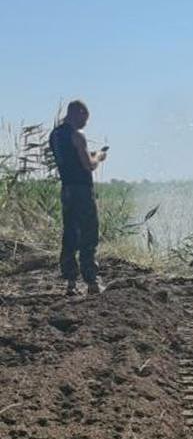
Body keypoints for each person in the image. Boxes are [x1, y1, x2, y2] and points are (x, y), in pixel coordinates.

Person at [48, 100, 107, 295]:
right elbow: (88, 165)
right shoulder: (77, 134)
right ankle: (91, 281)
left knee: (70, 233)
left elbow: (71, 158)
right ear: (78, 113)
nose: (85, 124)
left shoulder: (55, 134)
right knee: (89, 233)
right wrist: (98, 156)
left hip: (66, 189)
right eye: (85, 118)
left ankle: (71, 283)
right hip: (82, 190)